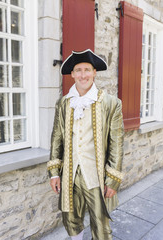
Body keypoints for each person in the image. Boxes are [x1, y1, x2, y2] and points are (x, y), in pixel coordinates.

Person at [47, 49, 124, 240]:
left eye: (87, 70)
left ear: (94, 72)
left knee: (100, 222)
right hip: (70, 173)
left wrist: (113, 179)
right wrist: (54, 172)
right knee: (71, 218)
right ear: (72, 74)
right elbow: (57, 137)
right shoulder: (64, 103)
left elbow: (116, 143)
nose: (83, 75)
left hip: (95, 174)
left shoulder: (111, 103)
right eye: (78, 70)